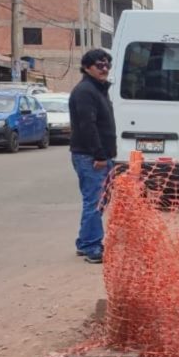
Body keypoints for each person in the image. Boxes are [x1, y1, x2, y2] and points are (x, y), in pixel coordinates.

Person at [68, 49, 117, 264]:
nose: (104, 69)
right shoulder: (85, 91)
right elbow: (87, 126)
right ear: (87, 67)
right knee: (95, 202)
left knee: (99, 200)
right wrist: (98, 155)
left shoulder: (98, 89)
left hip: (101, 155)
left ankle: (85, 240)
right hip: (90, 157)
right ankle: (91, 246)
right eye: (99, 65)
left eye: (107, 65)